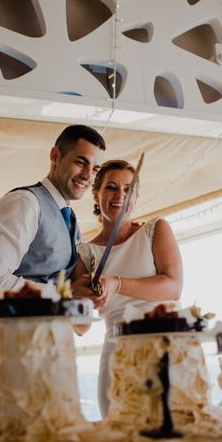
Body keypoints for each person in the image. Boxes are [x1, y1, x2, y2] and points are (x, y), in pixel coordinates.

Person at [0, 124, 106, 434]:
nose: (88, 174)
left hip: (42, 355)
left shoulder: (71, 222)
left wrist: (85, 297)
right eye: (81, 161)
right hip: (0, 356)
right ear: (56, 156)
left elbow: (64, 294)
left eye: (95, 168)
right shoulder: (25, 203)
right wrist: (62, 294)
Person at [71, 159, 183, 417]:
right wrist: (78, 300)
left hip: (166, 348)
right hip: (117, 353)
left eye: (128, 189)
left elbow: (172, 287)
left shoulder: (155, 230)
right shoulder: (84, 253)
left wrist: (116, 283)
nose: (120, 195)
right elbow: (81, 327)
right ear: (97, 195)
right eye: (111, 187)